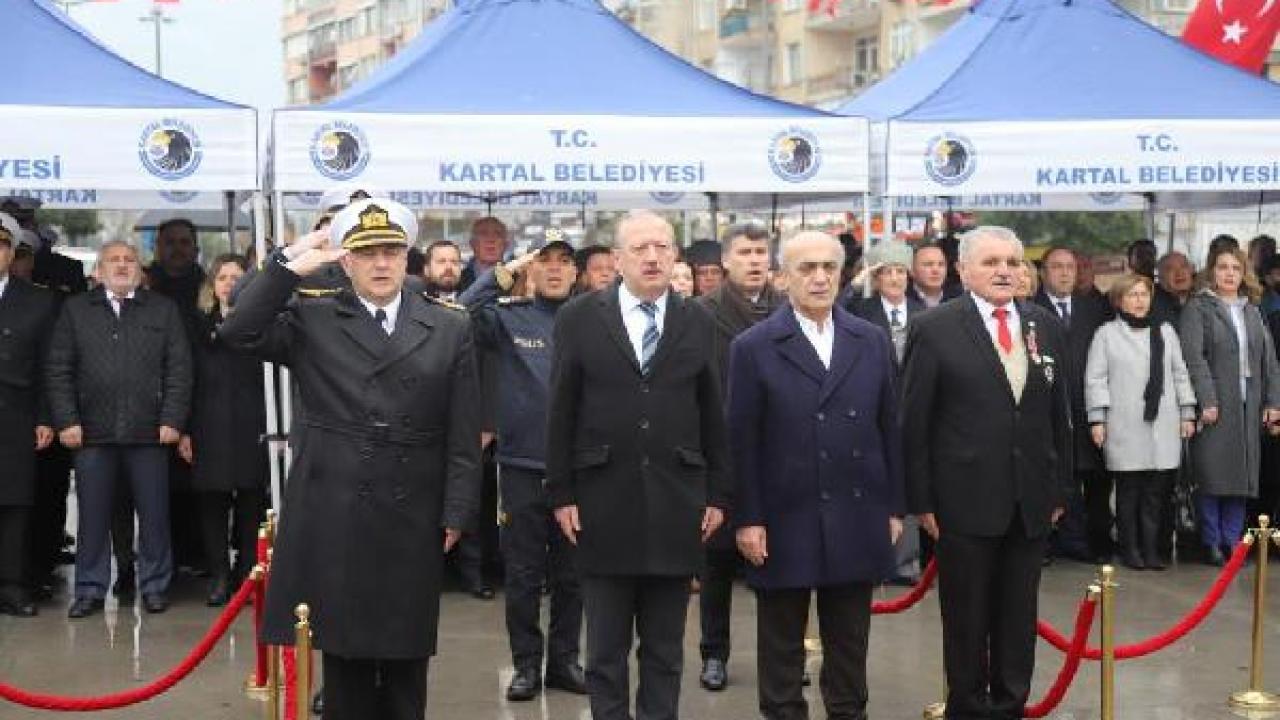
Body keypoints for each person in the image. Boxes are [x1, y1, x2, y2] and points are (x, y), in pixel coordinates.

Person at [220, 199, 481, 719]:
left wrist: (457, 510)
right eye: (367, 253)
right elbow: (238, 331)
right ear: (346, 261)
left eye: (391, 252)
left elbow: (463, 431)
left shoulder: (449, 325)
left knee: (407, 658)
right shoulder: (314, 317)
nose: (381, 263)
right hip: (337, 504)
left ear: (407, 259)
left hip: (413, 507)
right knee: (345, 660)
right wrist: (288, 263)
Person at [547, 210, 730, 720]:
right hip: (601, 502)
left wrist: (718, 494)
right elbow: (561, 410)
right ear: (618, 258)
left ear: (675, 256)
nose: (652, 257)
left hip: (678, 502)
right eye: (640, 248)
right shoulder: (579, 318)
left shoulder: (698, 320)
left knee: (665, 651)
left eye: (662, 247)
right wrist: (561, 492)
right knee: (605, 653)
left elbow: (712, 412)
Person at [730, 230, 904, 720]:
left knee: (849, 641)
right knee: (781, 642)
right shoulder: (753, 346)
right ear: (783, 278)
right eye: (807, 268)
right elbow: (741, 440)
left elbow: (889, 426)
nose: (820, 277)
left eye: (829, 267)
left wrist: (894, 506)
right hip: (784, 512)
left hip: (857, 508)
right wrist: (749, 518)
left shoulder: (869, 339)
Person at [902, 226, 1071, 720]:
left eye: (1012, 262)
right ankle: (969, 709)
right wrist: (921, 500)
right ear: (963, 270)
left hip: (1030, 500)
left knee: (1018, 621)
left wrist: (1060, 489)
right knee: (967, 622)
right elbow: (913, 422)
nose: (1004, 271)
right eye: (991, 262)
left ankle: (1011, 707)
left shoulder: (1043, 325)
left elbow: (1059, 415)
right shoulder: (935, 328)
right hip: (963, 502)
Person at [459, 232, 586, 702]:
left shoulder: (592, 318)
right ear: (531, 269)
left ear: (575, 272)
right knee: (524, 574)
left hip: (579, 470)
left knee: (573, 576)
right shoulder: (509, 317)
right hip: (521, 466)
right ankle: (527, 665)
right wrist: (505, 271)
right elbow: (462, 310)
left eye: (563, 261)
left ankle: (565, 662)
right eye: (544, 261)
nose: (554, 268)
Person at [46, 241, 192, 618]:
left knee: (155, 517)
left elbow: (179, 368)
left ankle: (155, 586)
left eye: (130, 260)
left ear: (141, 271)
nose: (122, 266)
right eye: (114, 260)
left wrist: (172, 420)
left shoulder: (163, 309)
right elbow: (59, 369)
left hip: (150, 432)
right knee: (93, 518)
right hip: (91, 433)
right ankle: (89, 589)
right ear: (98, 271)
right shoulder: (76, 310)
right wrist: (67, 421)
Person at [694, 222, 783, 692]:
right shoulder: (701, 313)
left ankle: (783, 657)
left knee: (781, 564)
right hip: (721, 453)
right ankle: (714, 653)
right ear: (726, 261)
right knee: (717, 564)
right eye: (745, 253)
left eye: (760, 252)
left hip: (778, 455)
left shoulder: (788, 308)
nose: (754, 260)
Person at [1086, 274, 1197, 570]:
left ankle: (1151, 550)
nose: (1139, 301)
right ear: (1119, 300)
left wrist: (1187, 412)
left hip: (1163, 424)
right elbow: (1096, 379)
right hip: (1124, 424)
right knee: (1128, 493)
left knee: (1155, 495)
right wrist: (1097, 419)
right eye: (1132, 295)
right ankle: (1130, 549)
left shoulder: (1165, 332)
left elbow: (1180, 373)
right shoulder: (1106, 334)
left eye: (1144, 294)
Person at [1179, 246, 1280, 566]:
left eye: (1236, 268)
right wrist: (1206, 399)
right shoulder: (1198, 308)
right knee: (1212, 476)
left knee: (1242, 478)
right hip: (1216, 406)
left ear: (1244, 273)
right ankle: (1210, 542)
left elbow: (1269, 361)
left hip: (1249, 406)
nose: (1229, 273)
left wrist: (1273, 401)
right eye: (1223, 267)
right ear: (1212, 271)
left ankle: (1232, 542)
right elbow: (1193, 358)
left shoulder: (1252, 310)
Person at [177, 254, 268, 606]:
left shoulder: (262, 322)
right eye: (223, 277)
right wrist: (185, 428)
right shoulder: (196, 324)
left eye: (237, 277)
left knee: (251, 504)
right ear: (211, 285)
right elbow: (185, 377)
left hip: (252, 423)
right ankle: (218, 576)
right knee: (212, 504)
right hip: (208, 423)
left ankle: (247, 575)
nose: (230, 283)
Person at [1033, 247, 1111, 564]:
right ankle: (1046, 541)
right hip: (1046, 405)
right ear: (1043, 273)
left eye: (1070, 267)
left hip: (1085, 404)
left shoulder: (1094, 309)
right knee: (1050, 474)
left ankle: (1083, 540)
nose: (1065, 273)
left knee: (1090, 476)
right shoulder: (1030, 310)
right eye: (1057, 267)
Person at [0, 212, 57, 617]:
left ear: (13, 252)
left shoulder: (38, 300)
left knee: (15, 503)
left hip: (16, 412)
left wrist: (45, 416)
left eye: (2, 245)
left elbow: (49, 365)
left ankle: (12, 585)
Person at [846, 240, 923, 369]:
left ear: (907, 277)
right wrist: (855, 284)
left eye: (900, 271)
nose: (895, 279)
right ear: (876, 279)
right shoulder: (861, 311)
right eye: (887, 272)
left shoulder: (922, 312)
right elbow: (833, 314)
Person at [460, 216, 509, 291]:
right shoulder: (458, 280)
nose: (491, 239)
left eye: (497, 234)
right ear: (473, 244)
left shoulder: (518, 280)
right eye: (483, 233)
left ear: (505, 244)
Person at [908, 242, 960, 309]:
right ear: (912, 270)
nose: (936, 270)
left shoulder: (958, 298)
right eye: (928, 264)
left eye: (941, 264)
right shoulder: (901, 299)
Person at [1154, 251, 1195, 324]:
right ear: (1160, 277)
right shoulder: (1151, 300)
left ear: (1191, 271)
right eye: (1170, 269)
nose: (1179, 273)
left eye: (1183, 266)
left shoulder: (1205, 298)